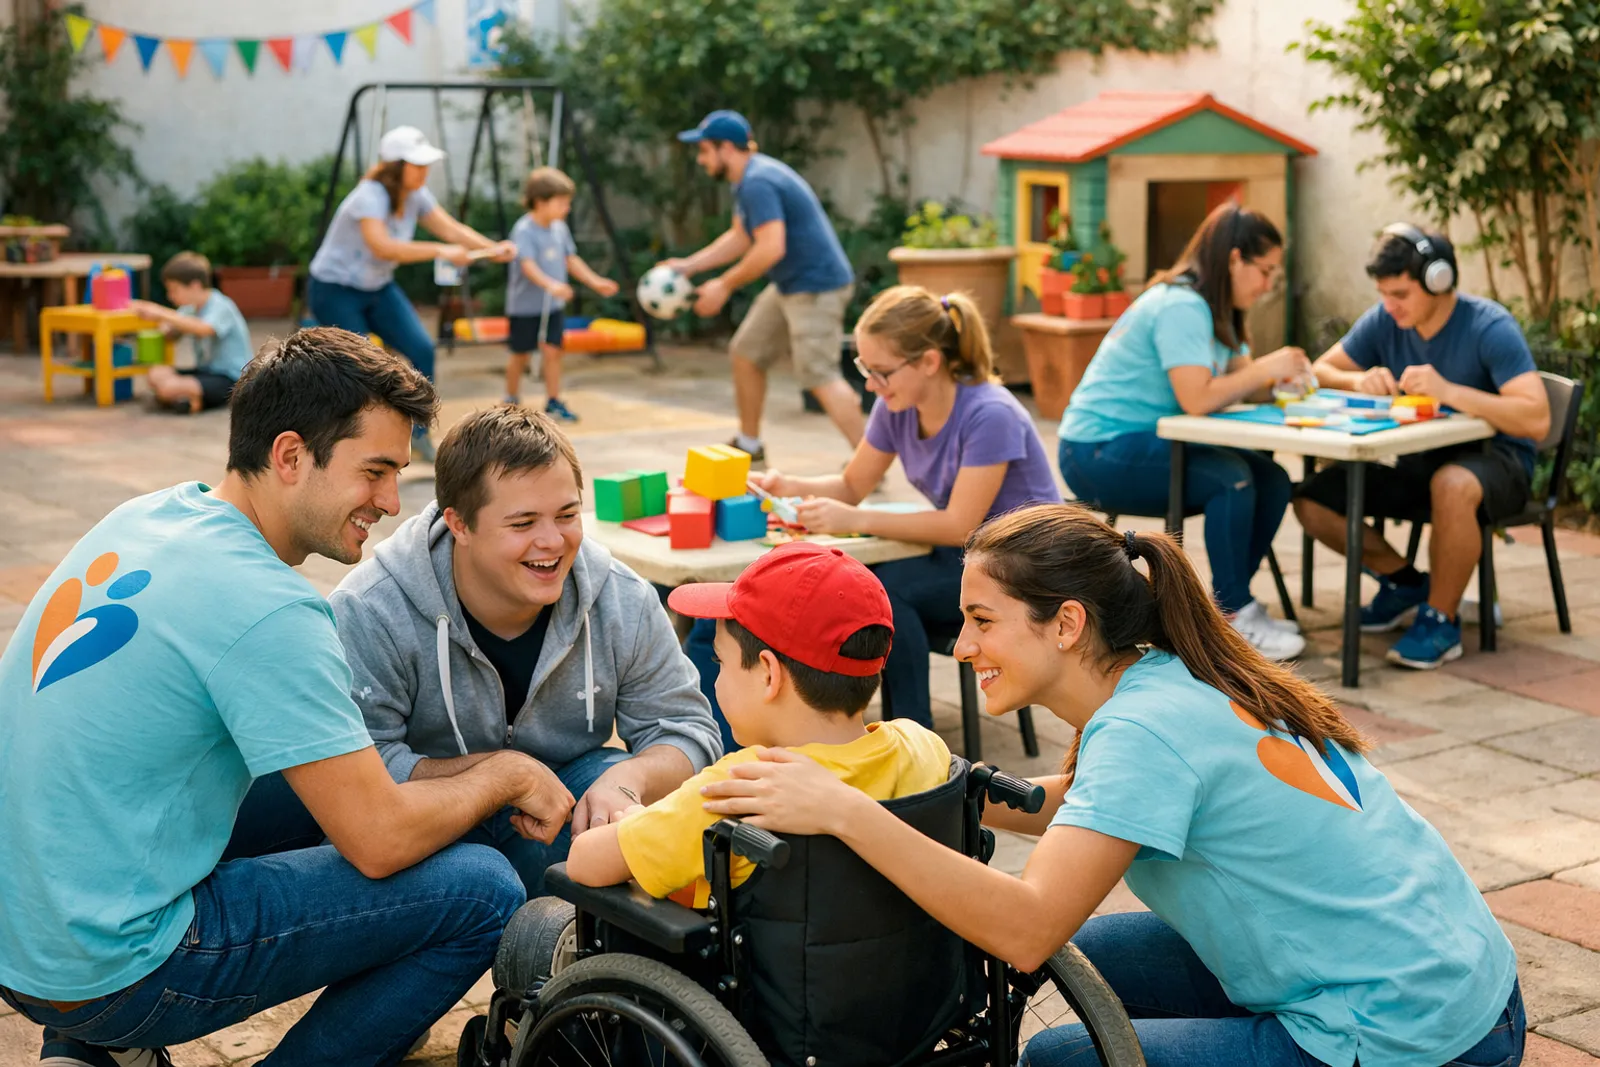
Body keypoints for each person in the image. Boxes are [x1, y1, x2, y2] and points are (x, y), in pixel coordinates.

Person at [701, 504, 1524, 1067]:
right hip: (1448, 973)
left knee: (1062, 1054)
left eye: (983, 621)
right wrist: (903, 781)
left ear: (1066, 623)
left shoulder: (1142, 731)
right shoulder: (1162, 675)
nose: (960, 647)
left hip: (1411, 1031)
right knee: (1083, 959)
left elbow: (1024, 926)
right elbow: (1079, 805)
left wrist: (849, 812)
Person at [0, 328, 576, 1067]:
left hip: (26, 929)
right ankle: (110, 1031)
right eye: (374, 472)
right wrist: (508, 771)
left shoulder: (152, 515)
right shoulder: (268, 608)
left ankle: (90, 1051)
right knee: (482, 891)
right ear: (291, 455)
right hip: (111, 967)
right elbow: (379, 840)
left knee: (329, 775)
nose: (393, 502)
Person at [302, 405, 722, 897]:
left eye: (567, 515)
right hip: (423, 823)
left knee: (615, 795)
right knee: (474, 881)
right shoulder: (372, 608)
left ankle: (576, 966)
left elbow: (688, 731)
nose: (552, 541)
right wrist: (500, 778)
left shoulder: (620, 595)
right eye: (522, 523)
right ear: (458, 524)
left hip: (556, 805)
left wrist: (631, 778)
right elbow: (359, 773)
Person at [566, 541, 950, 907]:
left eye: (719, 662)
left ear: (768, 674)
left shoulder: (738, 790)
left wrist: (637, 822)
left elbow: (585, 862)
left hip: (759, 972)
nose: (715, 677)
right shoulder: (922, 748)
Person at [1055, 202, 1312, 661]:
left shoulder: (1217, 310)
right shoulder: (1182, 305)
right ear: (1235, 259)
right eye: (1265, 270)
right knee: (1230, 478)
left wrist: (1277, 382)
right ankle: (1231, 620)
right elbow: (1198, 397)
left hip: (1148, 444)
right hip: (1097, 451)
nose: (1270, 284)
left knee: (1271, 478)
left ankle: (1232, 605)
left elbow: (1235, 384)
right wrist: (1266, 369)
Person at [1297, 225, 1551, 670]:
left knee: (1450, 484)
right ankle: (1407, 586)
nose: (1389, 305)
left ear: (1439, 280)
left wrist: (1448, 390)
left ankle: (1440, 619)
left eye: (1399, 293)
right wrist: (1361, 379)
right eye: (1382, 293)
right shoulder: (1385, 319)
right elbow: (1319, 371)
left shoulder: (1490, 326)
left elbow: (1536, 417)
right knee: (1310, 500)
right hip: (1417, 460)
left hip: (1499, 463)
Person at [307, 124, 516, 463]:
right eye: (417, 165)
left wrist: (493, 248)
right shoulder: (369, 196)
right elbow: (384, 247)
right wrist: (441, 251)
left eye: (425, 164)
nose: (424, 171)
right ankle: (351, 442)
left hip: (377, 288)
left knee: (421, 349)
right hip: (334, 291)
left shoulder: (416, 195)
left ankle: (417, 434)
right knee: (359, 367)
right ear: (395, 166)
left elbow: (450, 229)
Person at [661, 109, 862, 460]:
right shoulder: (747, 180)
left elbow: (771, 247)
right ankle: (750, 445)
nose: (700, 159)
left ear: (726, 148)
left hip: (816, 286)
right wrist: (689, 266)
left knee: (819, 376)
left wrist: (723, 285)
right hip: (790, 284)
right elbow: (741, 237)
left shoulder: (758, 181)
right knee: (747, 352)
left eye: (704, 150)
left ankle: (867, 463)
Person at [504, 166, 620, 421]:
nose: (566, 209)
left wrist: (595, 282)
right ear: (540, 202)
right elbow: (528, 265)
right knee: (520, 354)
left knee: (553, 351)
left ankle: (554, 401)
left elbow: (571, 260)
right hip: (525, 307)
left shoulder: (559, 229)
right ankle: (510, 401)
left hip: (553, 306)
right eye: (562, 203)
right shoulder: (524, 230)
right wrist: (551, 284)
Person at [130, 251, 252, 414]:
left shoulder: (221, 305)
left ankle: (191, 401)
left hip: (230, 378)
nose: (170, 296)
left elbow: (203, 329)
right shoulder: (190, 309)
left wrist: (160, 312)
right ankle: (190, 400)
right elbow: (172, 332)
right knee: (156, 373)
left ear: (195, 286)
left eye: (174, 290)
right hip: (205, 371)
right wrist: (162, 326)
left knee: (168, 388)